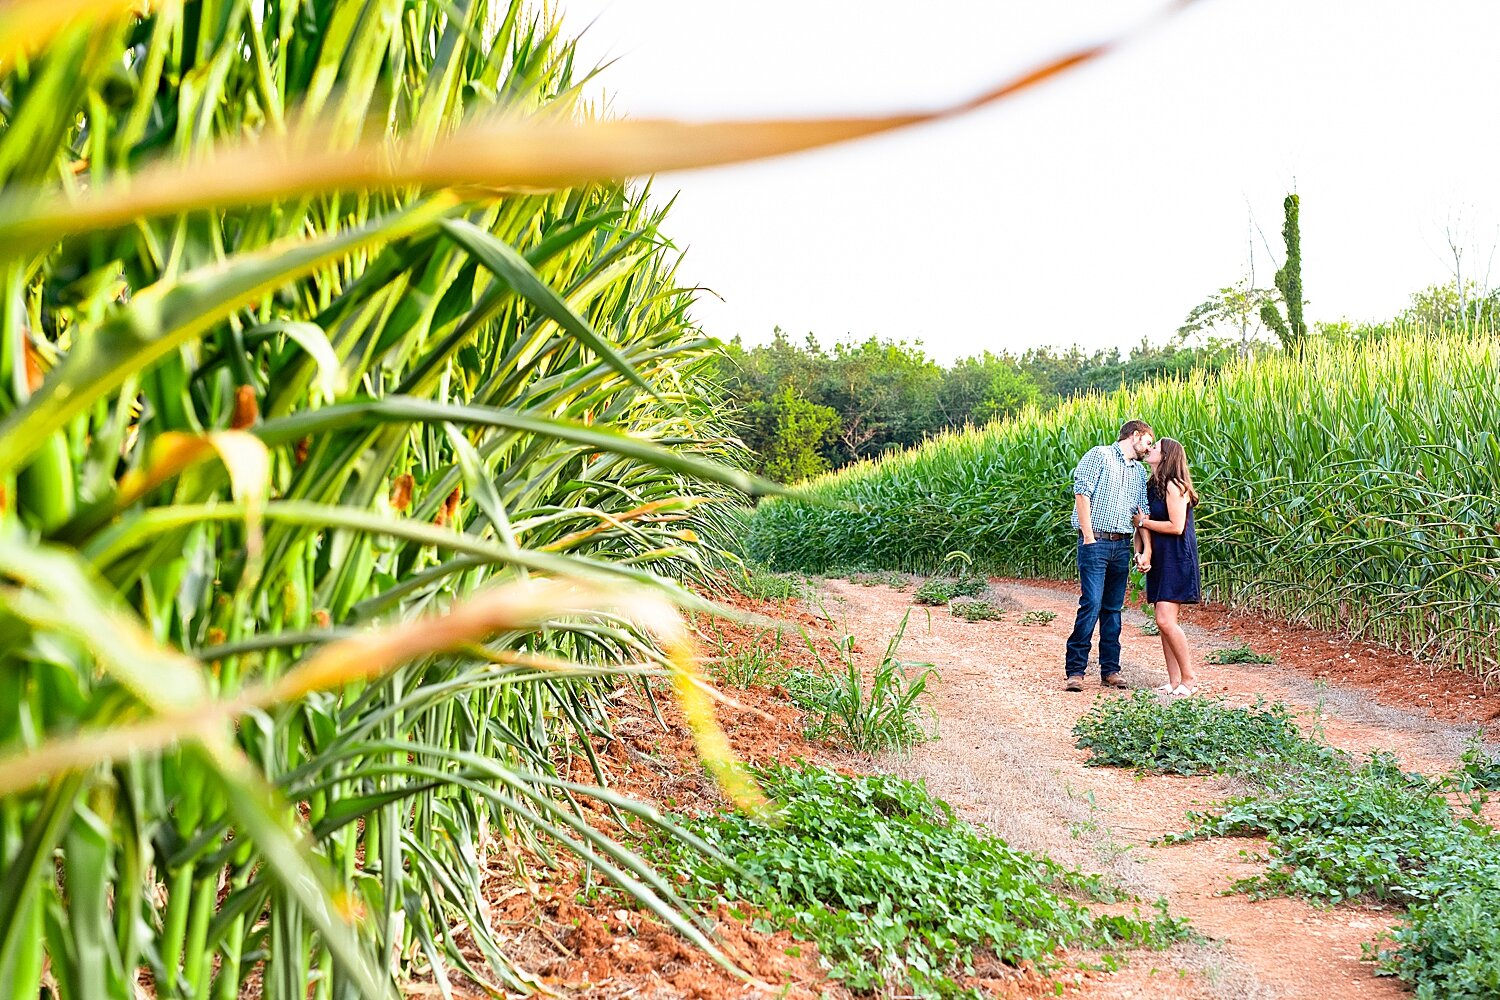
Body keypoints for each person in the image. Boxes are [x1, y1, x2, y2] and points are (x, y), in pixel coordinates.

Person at [1064, 419, 1153, 692]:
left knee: (1113, 609)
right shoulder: (1099, 455)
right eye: (1148, 442)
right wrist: (1089, 537)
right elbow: (1082, 494)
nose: (1149, 449)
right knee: (1091, 603)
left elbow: (1141, 514)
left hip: (1122, 544)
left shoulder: (1138, 472)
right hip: (1097, 541)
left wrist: (1143, 550)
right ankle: (1076, 671)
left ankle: (1110, 670)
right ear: (1135, 436)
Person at [1133, 438, 1202, 695]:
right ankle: (1174, 681)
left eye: (1155, 448)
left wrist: (1144, 523)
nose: (1150, 450)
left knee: (1165, 619)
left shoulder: (1175, 486)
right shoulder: (1153, 485)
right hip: (1160, 557)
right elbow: (1140, 524)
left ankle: (1189, 679)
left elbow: (1176, 526)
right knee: (1162, 622)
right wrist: (1140, 553)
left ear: (1167, 456)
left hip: (1176, 557)